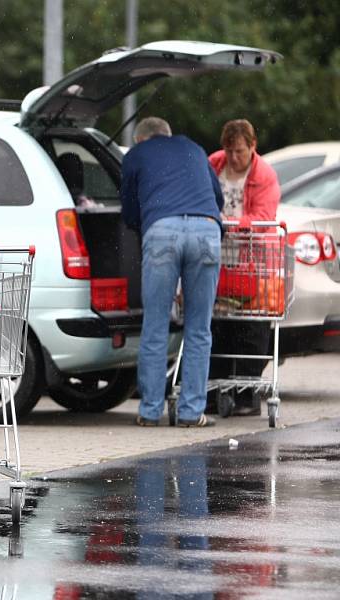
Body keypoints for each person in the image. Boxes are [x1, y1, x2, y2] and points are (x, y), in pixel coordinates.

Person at [121, 117, 224, 428]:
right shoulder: (194, 147)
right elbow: (216, 199)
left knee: (155, 324)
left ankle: (150, 412)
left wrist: (145, 224)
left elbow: (129, 210)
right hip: (207, 231)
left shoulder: (136, 155)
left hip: (162, 231)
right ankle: (192, 413)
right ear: (167, 133)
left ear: (141, 140)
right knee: (199, 328)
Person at [208, 119, 281, 416]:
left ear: (253, 146)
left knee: (251, 327)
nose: (234, 158)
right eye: (229, 151)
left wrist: (230, 226)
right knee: (217, 323)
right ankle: (214, 390)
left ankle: (246, 392)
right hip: (218, 255)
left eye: (239, 151)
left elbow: (264, 215)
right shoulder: (214, 163)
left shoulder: (264, 175)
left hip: (251, 258)